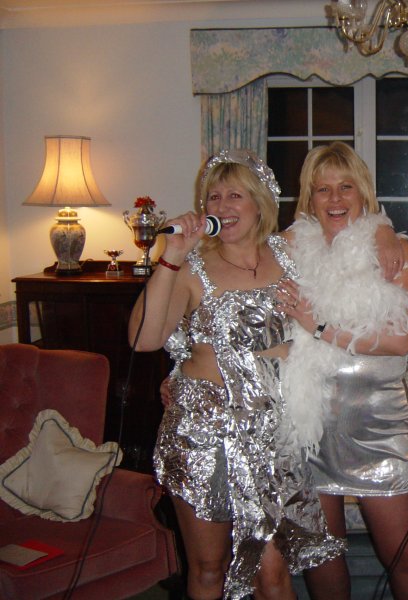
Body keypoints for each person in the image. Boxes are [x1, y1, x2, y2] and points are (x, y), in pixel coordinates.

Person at [128, 149, 345, 600]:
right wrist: (171, 256)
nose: (223, 206)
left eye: (235, 195)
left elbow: (348, 236)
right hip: (204, 435)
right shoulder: (190, 270)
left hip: (273, 433)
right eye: (214, 197)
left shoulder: (290, 252)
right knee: (210, 569)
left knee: (273, 574)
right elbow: (143, 340)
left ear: (259, 203)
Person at [277, 142, 408, 600]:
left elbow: (400, 341)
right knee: (322, 556)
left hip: (377, 429)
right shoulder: (288, 250)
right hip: (307, 430)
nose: (334, 199)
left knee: (405, 557)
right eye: (322, 189)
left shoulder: (396, 251)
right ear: (309, 198)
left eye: (345, 187)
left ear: (363, 193)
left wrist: (320, 326)